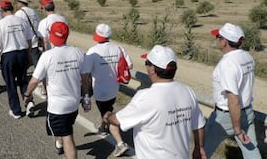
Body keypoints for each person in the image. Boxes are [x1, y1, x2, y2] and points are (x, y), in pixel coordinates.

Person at [104, 45, 207, 159]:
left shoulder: (145, 96)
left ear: (152, 69)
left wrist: (108, 116)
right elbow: (199, 125)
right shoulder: (188, 91)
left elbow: (118, 120)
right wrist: (199, 147)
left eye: (147, 63)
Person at [23, 22, 84, 159]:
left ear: (51, 37)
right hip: (74, 103)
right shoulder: (78, 52)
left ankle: (62, 145)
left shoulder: (47, 56)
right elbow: (85, 77)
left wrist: (27, 94)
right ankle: (59, 143)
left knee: (68, 136)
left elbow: (34, 80)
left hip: (57, 107)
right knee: (65, 129)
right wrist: (85, 95)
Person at [204, 23, 262, 159]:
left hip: (227, 116)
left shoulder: (228, 64)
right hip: (247, 112)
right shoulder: (247, 57)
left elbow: (233, 98)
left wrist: (236, 129)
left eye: (218, 37)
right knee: (251, 152)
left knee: (202, 150)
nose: (216, 39)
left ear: (224, 42)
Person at [81, 23, 133, 157]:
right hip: (114, 88)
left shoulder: (92, 51)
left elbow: (85, 73)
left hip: (100, 91)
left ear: (97, 36)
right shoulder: (118, 48)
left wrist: (85, 93)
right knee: (107, 109)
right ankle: (103, 127)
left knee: (108, 115)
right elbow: (130, 65)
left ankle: (120, 143)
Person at [0, 0, 33, 119]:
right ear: (12, 9)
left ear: (2, 10)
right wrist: (28, 54)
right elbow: (29, 40)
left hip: (8, 55)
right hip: (22, 53)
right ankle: (29, 101)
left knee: (10, 83)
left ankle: (16, 110)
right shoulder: (22, 21)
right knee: (23, 80)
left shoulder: (0, 24)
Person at [14, 0, 41, 67]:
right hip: (34, 40)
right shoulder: (33, 11)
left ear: (20, 3)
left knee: (23, 64)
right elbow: (39, 24)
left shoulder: (19, 13)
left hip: (24, 42)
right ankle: (40, 77)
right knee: (36, 63)